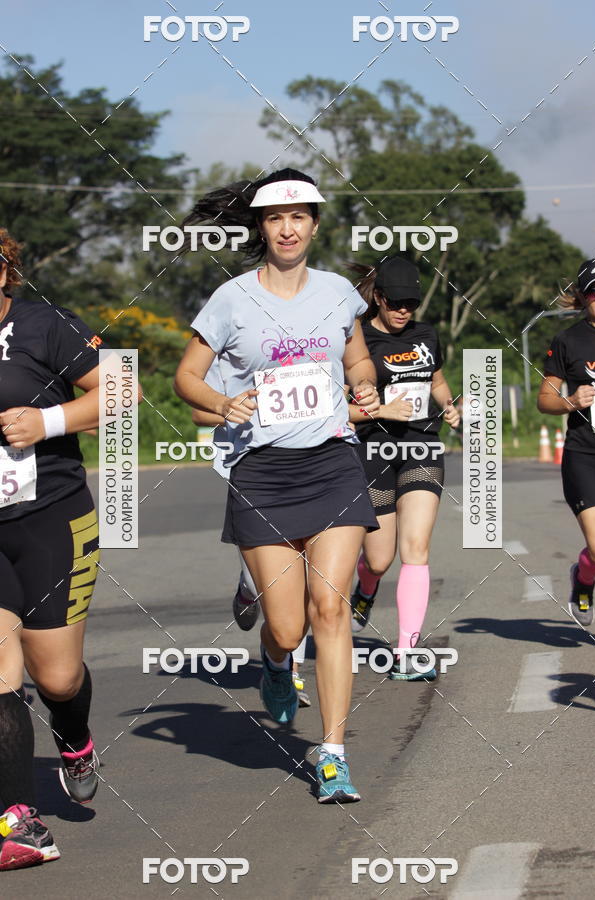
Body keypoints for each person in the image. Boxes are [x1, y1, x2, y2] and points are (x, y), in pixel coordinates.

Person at [174, 168, 380, 802]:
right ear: (260, 228)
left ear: (314, 225)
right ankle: (274, 659)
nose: (287, 228)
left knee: (332, 610)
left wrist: (366, 383)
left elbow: (356, 358)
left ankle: (333, 753)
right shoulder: (233, 299)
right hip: (262, 472)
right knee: (288, 628)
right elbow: (187, 377)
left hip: (334, 463)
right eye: (274, 218)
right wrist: (222, 402)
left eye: (299, 217)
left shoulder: (340, 292)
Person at [0, 229, 107, 869]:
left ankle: (72, 734)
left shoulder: (46, 324)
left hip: (50, 518)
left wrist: (48, 421)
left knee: (57, 677)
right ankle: (17, 820)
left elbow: (123, 389)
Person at [347, 257, 460, 679]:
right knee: (379, 560)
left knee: (416, 549)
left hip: (422, 447)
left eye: (410, 303)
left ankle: (407, 653)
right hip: (374, 451)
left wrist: (449, 407)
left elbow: (437, 382)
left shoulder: (426, 334)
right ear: (378, 297)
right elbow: (337, 410)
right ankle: (367, 587)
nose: (403, 311)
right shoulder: (357, 341)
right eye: (395, 303)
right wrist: (382, 412)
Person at [190, 378, 311, 707]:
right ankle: (247, 590)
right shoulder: (227, 349)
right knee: (263, 584)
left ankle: (290, 668)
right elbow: (199, 414)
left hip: (308, 469)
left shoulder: (311, 346)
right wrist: (243, 411)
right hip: (249, 470)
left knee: (307, 581)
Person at [538, 258, 595, 626]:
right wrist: (571, 401)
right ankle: (583, 576)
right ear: (583, 296)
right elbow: (544, 400)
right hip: (586, 454)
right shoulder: (567, 341)